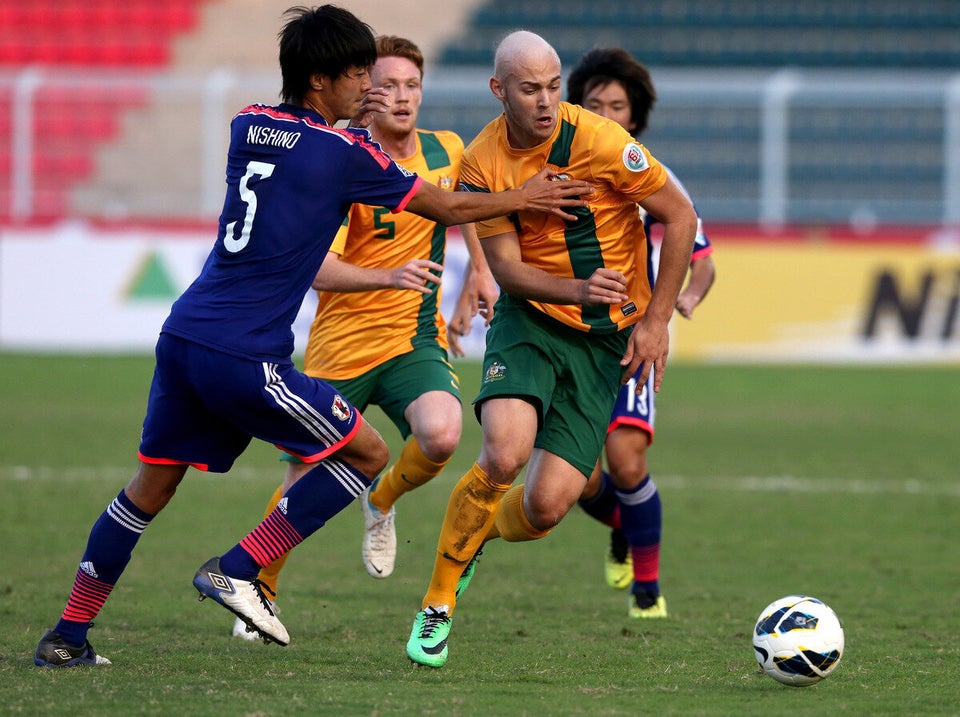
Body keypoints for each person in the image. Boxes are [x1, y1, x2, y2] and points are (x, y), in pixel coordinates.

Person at [32, 5, 591, 668]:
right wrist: (521, 197)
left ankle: (67, 635)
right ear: (323, 80)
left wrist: (346, 118)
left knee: (147, 489)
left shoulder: (249, 123)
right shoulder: (348, 154)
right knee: (368, 454)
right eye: (359, 73)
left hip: (183, 334)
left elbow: (306, 143)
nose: (373, 86)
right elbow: (448, 205)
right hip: (243, 351)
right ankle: (241, 567)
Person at [404, 30, 699, 668]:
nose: (545, 101)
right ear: (499, 89)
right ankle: (437, 605)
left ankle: (477, 532)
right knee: (503, 453)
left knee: (545, 506)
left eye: (553, 85)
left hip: (605, 342)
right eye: (530, 88)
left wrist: (654, 322)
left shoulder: (599, 141)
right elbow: (506, 271)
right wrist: (574, 287)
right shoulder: (480, 162)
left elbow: (682, 216)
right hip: (530, 320)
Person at [230, 34, 498, 639]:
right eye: (389, 85)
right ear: (365, 90)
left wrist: (477, 273)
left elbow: (463, 207)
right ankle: (260, 588)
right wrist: (386, 275)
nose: (402, 98)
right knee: (302, 477)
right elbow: (315, 266)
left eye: (413, 86)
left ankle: (380, 502)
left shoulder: (446, 148)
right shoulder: (340, 158)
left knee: (442, 434)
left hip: (412, 338)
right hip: (339, 344)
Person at [567, 47, 716, 618]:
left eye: (617, 105)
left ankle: (647, 592)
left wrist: (687, 297)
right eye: (594, 103)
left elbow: (700, 255)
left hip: (629, 334)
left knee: (626, 460)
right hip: (565, 333)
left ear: (635, 116)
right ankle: (627, 524)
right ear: (575, 107)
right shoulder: (551, 167)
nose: (605, 113)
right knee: (576, 480)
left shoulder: (647, 172)